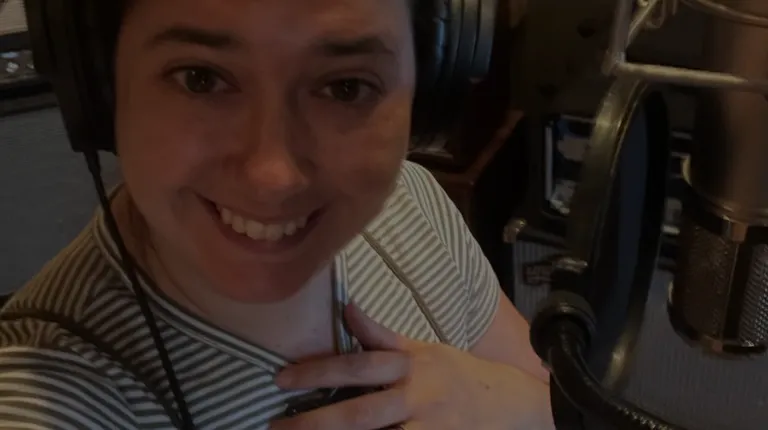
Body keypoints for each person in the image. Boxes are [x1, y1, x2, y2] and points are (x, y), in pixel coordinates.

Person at [0, 0, 554, 428]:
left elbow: (554, 399)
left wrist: (523, 409)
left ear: (426, 92)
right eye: (200, 78)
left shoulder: (410, 206)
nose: (274, 177)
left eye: (345, 87)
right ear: (100, 87)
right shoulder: (51, 402)